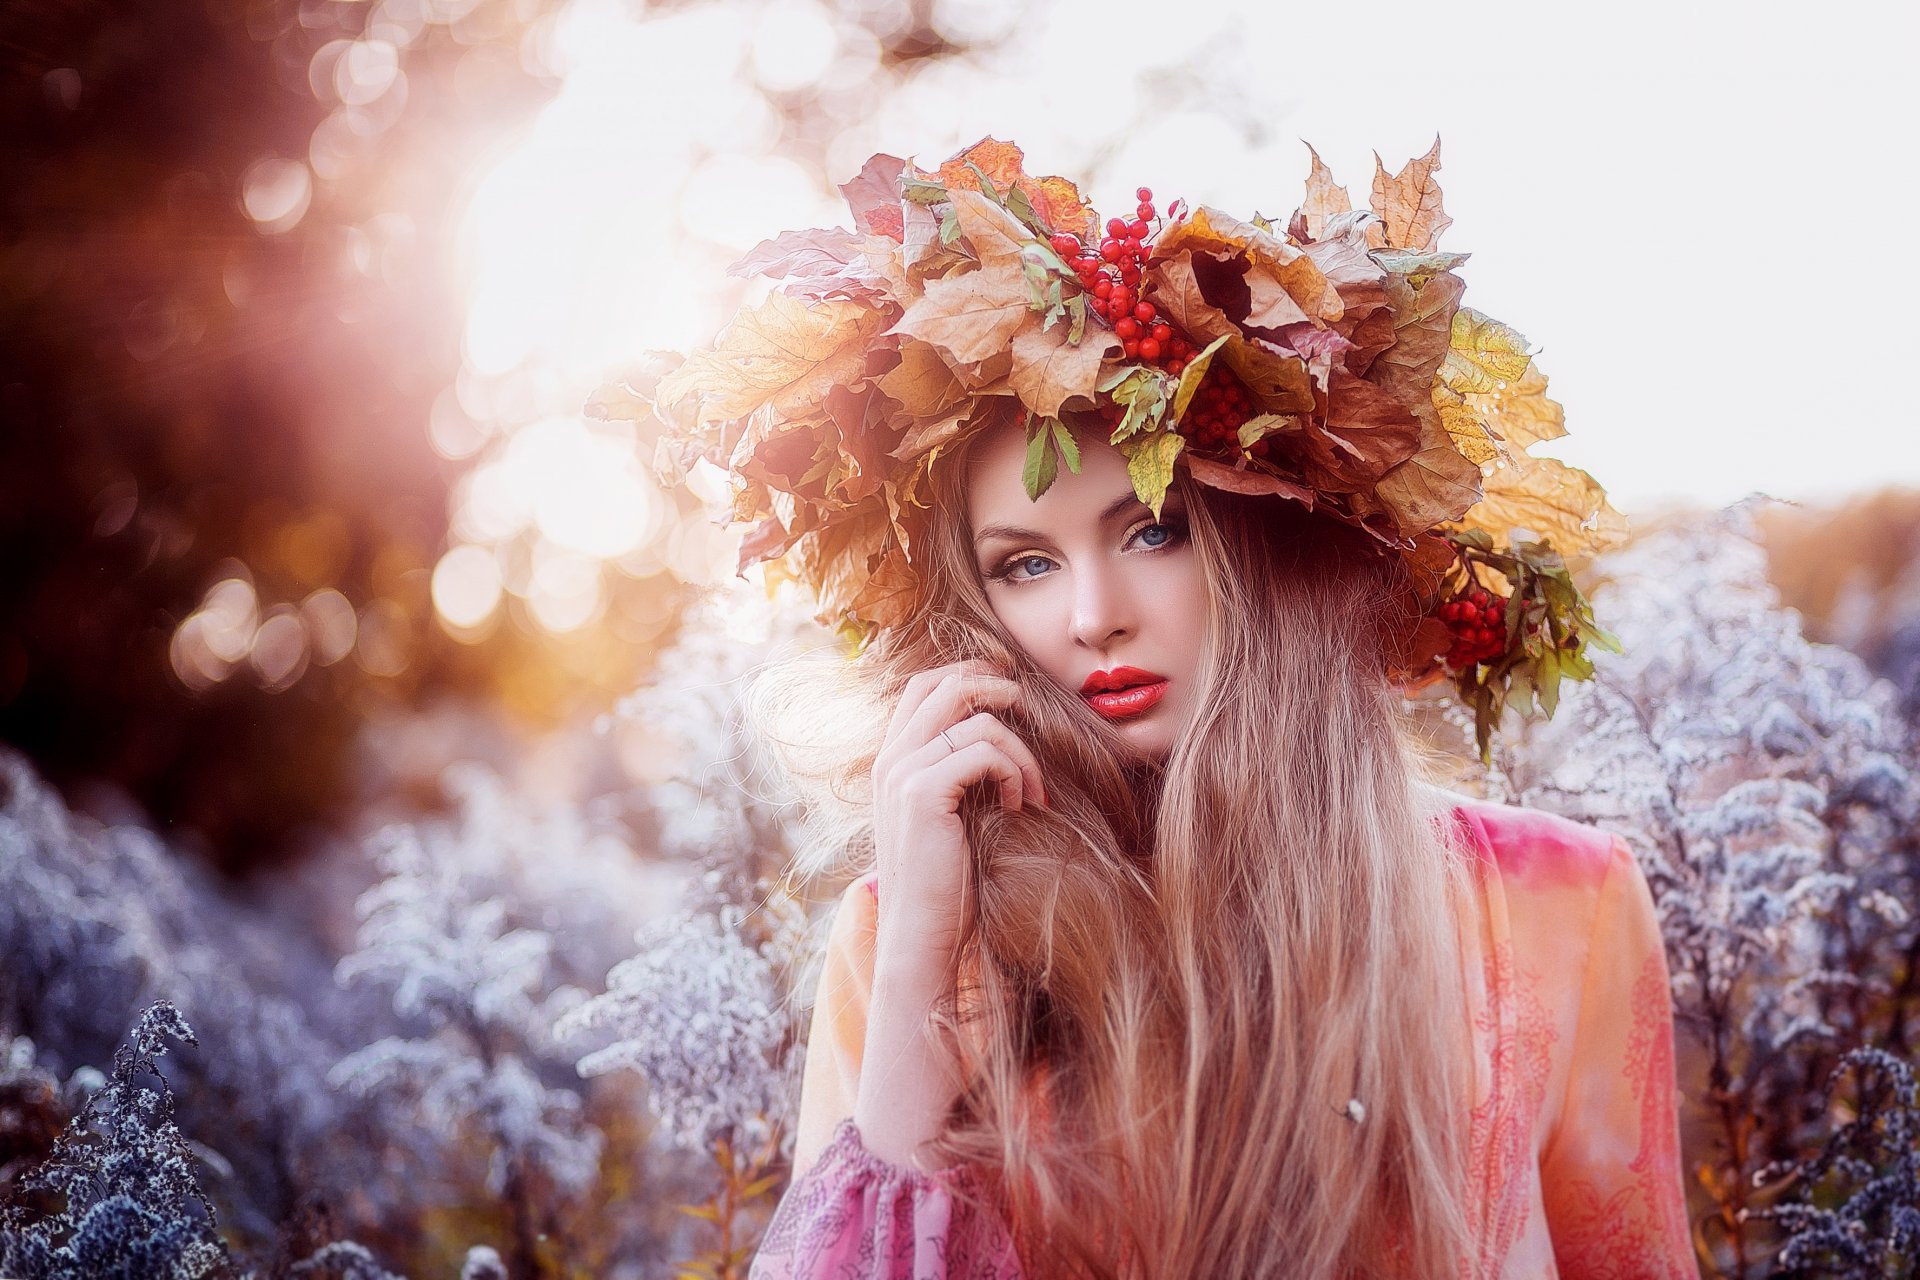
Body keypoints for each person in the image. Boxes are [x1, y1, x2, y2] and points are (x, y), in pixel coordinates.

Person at [619, 137, 1693, 1278]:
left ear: (1268, 546)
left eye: (1152, 530)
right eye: (1023, 564)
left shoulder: (1558, 905)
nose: (1092, 615)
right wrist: (928, 957)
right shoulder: (910, 936)